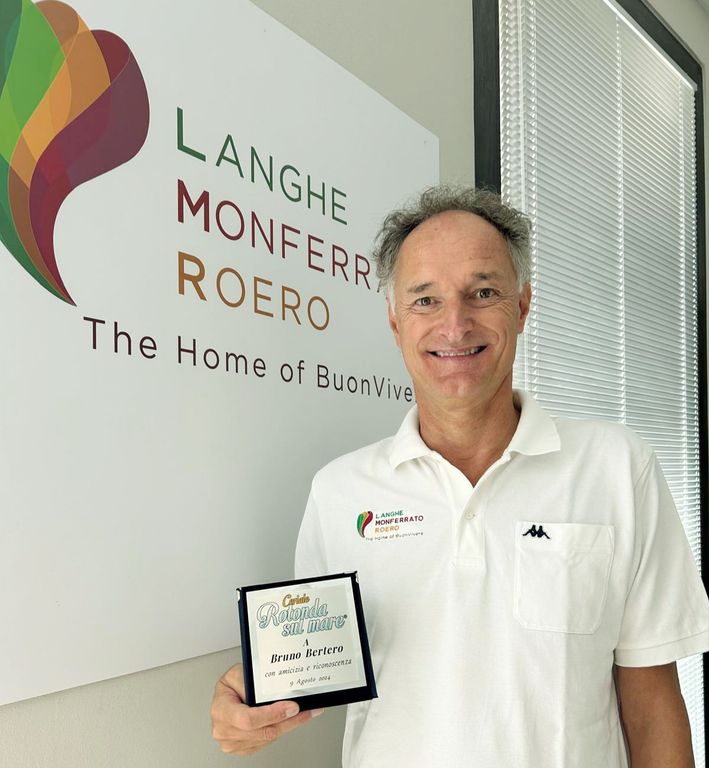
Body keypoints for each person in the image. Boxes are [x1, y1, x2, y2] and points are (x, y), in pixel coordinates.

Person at [211, 186, 709, 767]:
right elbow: (309, 670)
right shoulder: (339, 492)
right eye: (425, 300)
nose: (454, 324)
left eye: (483, 293)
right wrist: (247, 709)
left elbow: (652, 708)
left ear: (522, 305)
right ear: (395, 321)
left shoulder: (618, 469)